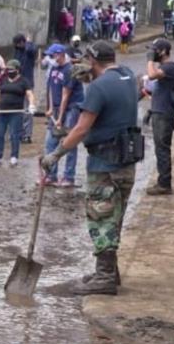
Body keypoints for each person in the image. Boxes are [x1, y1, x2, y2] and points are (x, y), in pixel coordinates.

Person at [40, 40, 141, 295]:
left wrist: (55, 154)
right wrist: (92, 78)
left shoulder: (98, 87)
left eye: (87, 60)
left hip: (104, 164)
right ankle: (110, 271)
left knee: (102, 217)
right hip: (127, 162)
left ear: (93, 61)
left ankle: (105, 277)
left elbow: (81, 129)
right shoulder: (128, 76)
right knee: (115, 216)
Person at [144, 38, 174, 195]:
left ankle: (164, 184)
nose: (152, 53)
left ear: (164, 51)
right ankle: (162, 181)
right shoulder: (165, 68)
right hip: (160, 112)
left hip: (164, 114)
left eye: (155, 50)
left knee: (162, 149)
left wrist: (150, 60)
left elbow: (151, 75)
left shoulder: (170, 67)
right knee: (160, 148)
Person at [0, 60, 35, 166]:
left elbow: (30, 94)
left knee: (14, 135)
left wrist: (31, 105)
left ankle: (14, 157)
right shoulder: (3, 81)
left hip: (15, 113)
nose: (9, 71)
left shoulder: (24, 81)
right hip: (2, 112)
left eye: (11, 69)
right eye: (8, 69)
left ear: (17, 70)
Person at [42, 44, 77, 187]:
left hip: (71, 108)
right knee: (50, 142)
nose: (50, 58)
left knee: (69, 142)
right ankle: (51, 176)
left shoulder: (69, 70)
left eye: (52, 55)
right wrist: (51, 108)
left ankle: (69, 177)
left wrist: (60, 118)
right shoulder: (53, 69)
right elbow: (51, 89)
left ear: (60, 54)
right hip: (56, 108)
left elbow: (65, 95)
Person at [12, 34, 38, 143]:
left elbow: (33, 50)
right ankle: (19, 132)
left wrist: (28, 42)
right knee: (18, 109)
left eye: (19, 44)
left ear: (23, 42)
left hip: (28, 83)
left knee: (28, 109)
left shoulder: (29, 50)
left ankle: (27, 134)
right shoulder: (17, 51)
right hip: (18, 83)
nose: (17, 46)